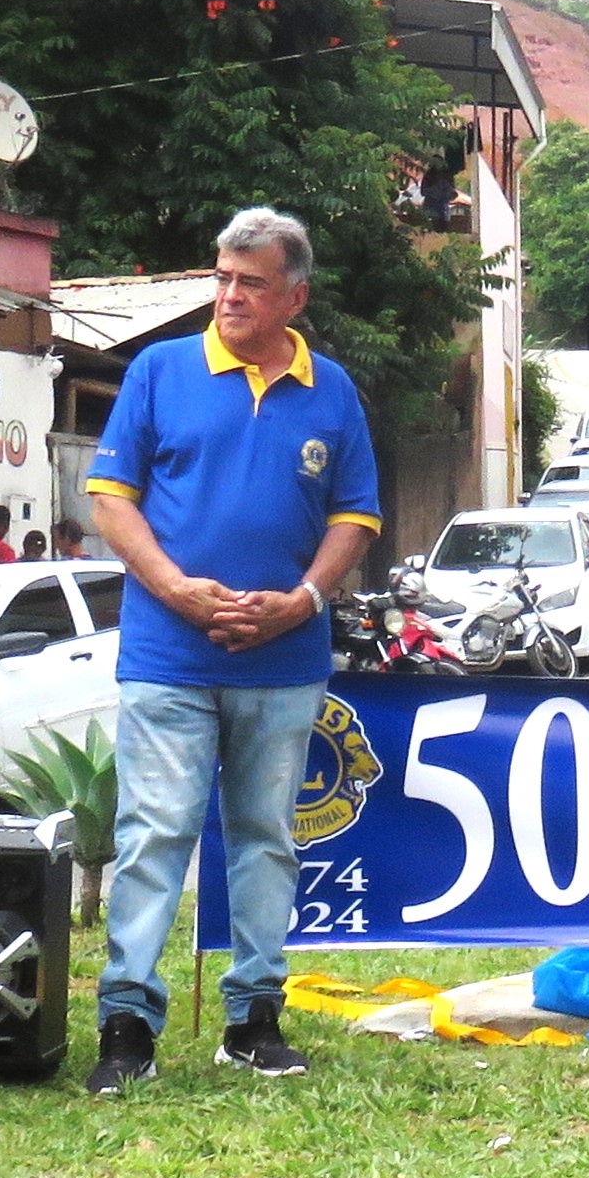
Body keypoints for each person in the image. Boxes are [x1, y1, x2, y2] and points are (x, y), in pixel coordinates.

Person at [79, 208, 383, 1096]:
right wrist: (175, 590)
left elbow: (354, 516)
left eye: (250, 281)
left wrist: (303, 601)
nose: (229, 295)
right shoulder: (159, 371)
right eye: (221, 277)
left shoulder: (333, 391)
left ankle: (254, 1017)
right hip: (168, 654)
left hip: (284, 662)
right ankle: (127, 1023)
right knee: (155, 833)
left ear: (295, 293)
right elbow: (111, 500)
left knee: (265, 839)